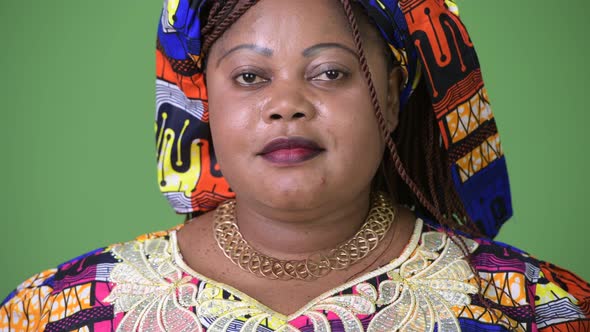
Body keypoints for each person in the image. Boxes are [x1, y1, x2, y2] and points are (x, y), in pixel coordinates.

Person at [1, 0, 589, 331]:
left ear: (390, 93)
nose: (287, 105)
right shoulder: (55, 311)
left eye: (330, 72)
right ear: (204, 99)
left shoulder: (541, 309)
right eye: (251, 77)